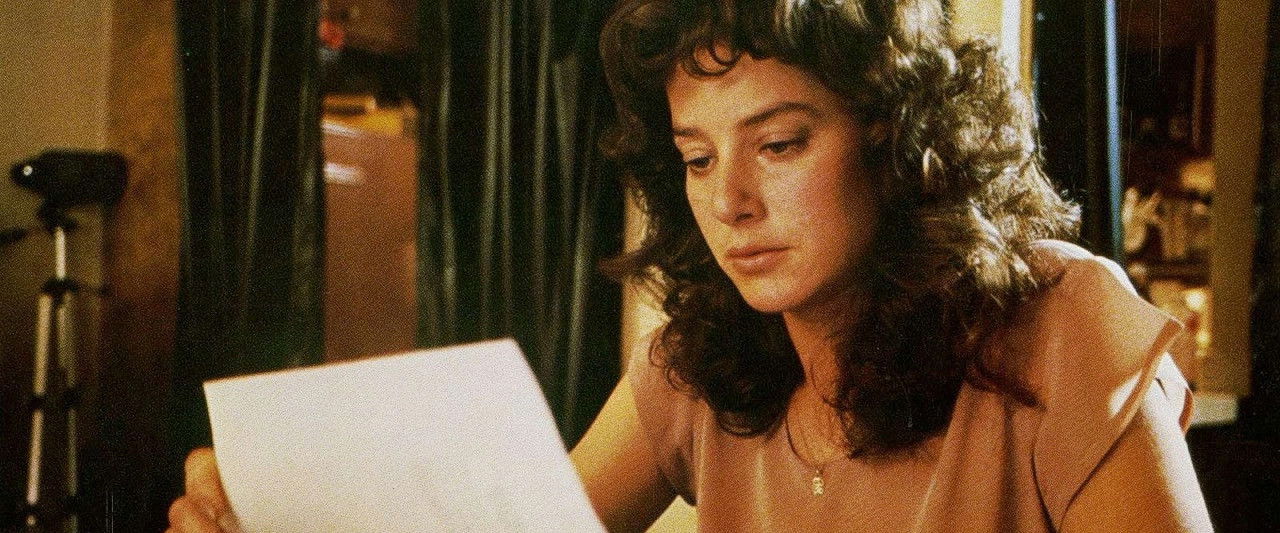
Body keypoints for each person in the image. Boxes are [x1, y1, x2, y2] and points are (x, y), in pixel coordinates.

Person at [169, 0, 1214, 531]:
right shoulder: (696, 366)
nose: (729, 202)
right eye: (698, 158)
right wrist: (274, 507)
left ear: (895, 138)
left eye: (779, 143)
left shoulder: (1061, 324)